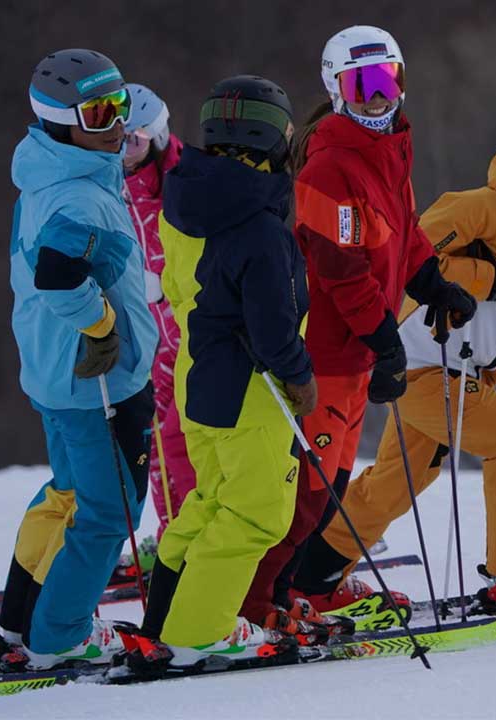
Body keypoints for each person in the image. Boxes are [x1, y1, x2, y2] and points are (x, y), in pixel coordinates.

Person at [291, 106, 496, 607]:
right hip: (422, 360)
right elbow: (408, 252)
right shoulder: (479, 208)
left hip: (471, 368)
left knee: (396, 483)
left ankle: (309, 581)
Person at [237, 25, 476, 632]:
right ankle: (254, 604)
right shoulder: (329, 166)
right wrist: (386, 342)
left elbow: (404, 230)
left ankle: (291, 593)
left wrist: (431, 284)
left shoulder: (392, 145)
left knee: (332, 486)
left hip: (356, 353)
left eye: (386, 81)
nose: (377, 98)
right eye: (360, 85)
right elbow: (340, 271)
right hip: (324, 355)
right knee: (306, 491)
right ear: (337, 90)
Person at [134, 75, 316, 666]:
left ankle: (164, 619)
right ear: (271, 140)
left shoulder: (183, 201)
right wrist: (299, 376)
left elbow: (183, 287)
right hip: (250, 390)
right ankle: (198, 632)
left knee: (209, 501)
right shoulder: (260, 227)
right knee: (256, 512)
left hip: (197, 376)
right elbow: (273, 325)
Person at [0, 48, 157, 670]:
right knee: (108, 512)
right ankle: (59, 636)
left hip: (53, 373)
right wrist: (102, 326)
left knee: (68, 494)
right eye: (98, 112)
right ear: (60, 119)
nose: (116, 123)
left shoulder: (52, 169)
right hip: (95, 382)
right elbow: (59, 277)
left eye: (119, 105)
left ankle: (21, 621)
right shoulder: (75, 196)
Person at [119, 83, 194, 543]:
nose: (123, 151)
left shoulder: (182, 180)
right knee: (160, 438)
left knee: (183, 435)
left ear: (157, 135)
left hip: (187, 326)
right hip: (143, 332)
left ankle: (189, 536)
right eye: (116, 138)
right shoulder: (105, 184)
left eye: (135, 140)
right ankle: (176, 536)